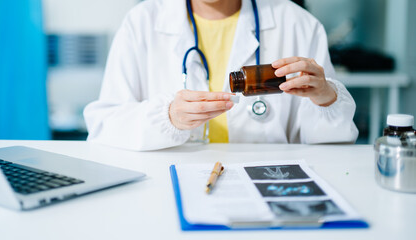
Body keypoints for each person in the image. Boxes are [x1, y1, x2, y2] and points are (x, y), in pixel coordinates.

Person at [84, 0, 358, 151]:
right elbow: (104, 127)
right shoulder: (141, 22)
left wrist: (326, 100)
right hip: (165, 185)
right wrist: (166, 118)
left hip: (269, 184)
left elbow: (330, 149)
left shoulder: (298, 24)